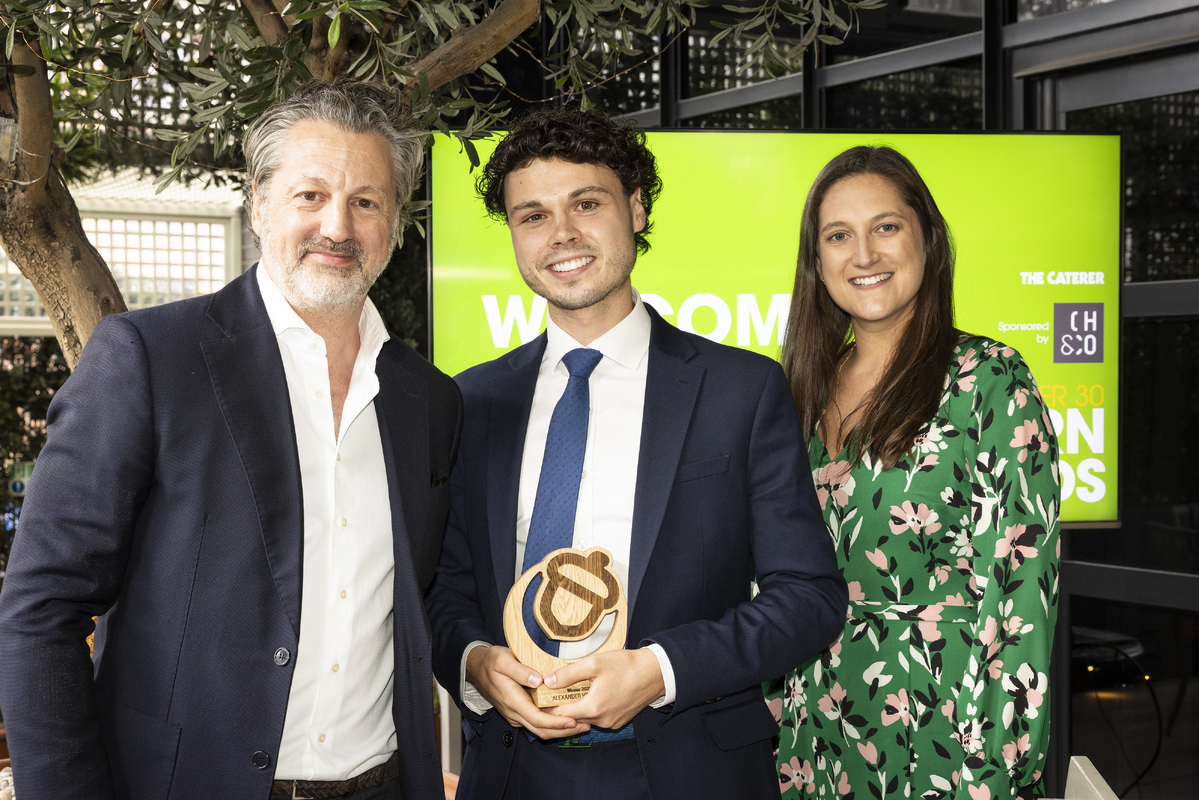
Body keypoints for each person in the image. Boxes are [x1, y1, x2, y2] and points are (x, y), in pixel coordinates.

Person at [0, 80, 461, 800]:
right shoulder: (149, 359)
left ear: (395, 220)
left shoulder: (428, 400)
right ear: (258, 204)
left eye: (366, 201)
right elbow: (41, 607)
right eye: (310, 195)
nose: (337, 226)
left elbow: (424, 600)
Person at [425, 107, 848, 800]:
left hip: (690, 768)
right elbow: (445, 590)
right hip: (510, 771)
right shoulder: (471, 401)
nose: (561, 233)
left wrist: (658, 670)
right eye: (532, 215)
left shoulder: (740, 390)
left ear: (637, 208)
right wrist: (475, 663)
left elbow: (808, 597)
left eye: (586, 204)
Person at [769, 145, 1061, 800]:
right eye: (838, 236)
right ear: (816, 263)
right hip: (812, 733)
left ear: (926, 240)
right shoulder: (798, 391)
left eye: (886, 227)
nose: (863, 254)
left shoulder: (989, 380)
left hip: (944, 737)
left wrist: (998, 770)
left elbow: (1019, 593)